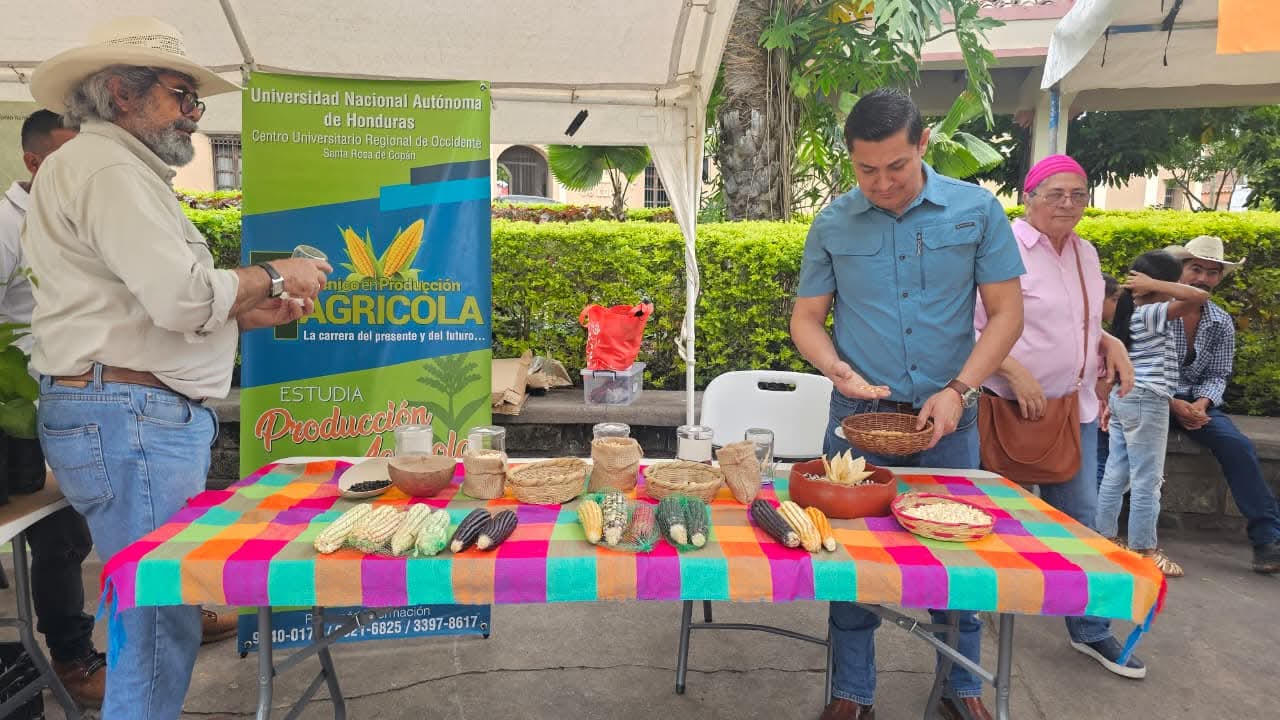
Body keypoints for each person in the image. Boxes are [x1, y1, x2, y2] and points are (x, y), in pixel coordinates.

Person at [23, 17, 331, 717]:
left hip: (125, 412)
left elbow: (148, 307)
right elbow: (181, 297)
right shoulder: (107, 169)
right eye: (181, 94)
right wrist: (273, 275)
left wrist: (247, 309)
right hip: (129, 418)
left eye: (195, 99)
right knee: (159, 621)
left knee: (156, 612)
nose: (194, 113)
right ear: (121, 93)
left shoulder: (110, 168)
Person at [791, 88, 1025, 720]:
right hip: (858, 423)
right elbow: (807, 319)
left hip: (949, 419)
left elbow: (1007, 314)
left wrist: (960, 389)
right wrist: (833, 366)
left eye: (896, 165)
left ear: (923, 144)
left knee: (960, 558)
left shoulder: (976, 210)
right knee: (850, 558)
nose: (882, 183)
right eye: (866, 169)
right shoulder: (833, 222)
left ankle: (961, 686)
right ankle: (851, 692)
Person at [974, 155, 1144, 680]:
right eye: (1055, 193)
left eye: (1078, 194)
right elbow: (970, 325)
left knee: (1080, 523)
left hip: (1074, 409)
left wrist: (1109, 342)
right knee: (991, 520)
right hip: (1007, 408)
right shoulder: (1003, 247)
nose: (1068, 204)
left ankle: (1090, 629)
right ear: (1028, 198)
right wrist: (1014, 371)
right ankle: (971, 616)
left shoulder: (1086, 253)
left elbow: (1080, 321)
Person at [0, 109, 107, 708]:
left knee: (87, 529)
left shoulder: (69, 217)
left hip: (78, 396)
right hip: (23, 409)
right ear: (34, 161)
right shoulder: (5, 225)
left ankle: (174, 614)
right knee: (62, 536)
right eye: (69, 160)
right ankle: (71, 660)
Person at [1164, 236, 1280, 574]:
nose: (1202, 278)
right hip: (1151, 398)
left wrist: (1200, 404)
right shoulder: (1154, 311)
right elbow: (1138, 368)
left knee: (1238, 446)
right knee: (1112, 441)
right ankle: (1100, 530)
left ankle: (1268, 541)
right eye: (1195, 268)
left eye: (1211, 272)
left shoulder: (1220, 321)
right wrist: (1173, 404)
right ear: (1180, 270)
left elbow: (1217, 374)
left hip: (1197, 405)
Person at [1096, 251, 1209, 578]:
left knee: (1117, 472)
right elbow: (1199, 297)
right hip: (1148, 399)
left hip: (1126, 397)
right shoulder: (1151, 312)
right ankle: (1144, 550)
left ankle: (1103, 538)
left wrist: (1151, 284)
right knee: (1147, 478)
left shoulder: (1129, 315)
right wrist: (1156, 285)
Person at [1097, 273, 1121, 485]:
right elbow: (1100, 384)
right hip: (1097, 416)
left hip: (1097, 415)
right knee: (1101, 466)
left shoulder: (1104, 337)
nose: (1117, 306)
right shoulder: (1098, 340)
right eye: (1114, 300)